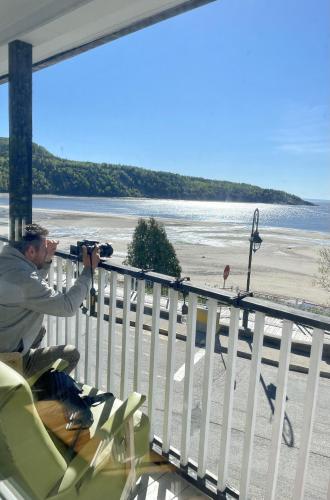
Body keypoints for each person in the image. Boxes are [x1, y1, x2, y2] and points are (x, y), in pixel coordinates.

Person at [0, 223, 100, 377]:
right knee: (70, 354)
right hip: (6, 363)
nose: (46, 250)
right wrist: (88, 270)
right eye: (43, 248)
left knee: (39, 331)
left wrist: (45, 261)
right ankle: (26, 392)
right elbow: (67, 306)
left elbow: (25, 290)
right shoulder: (25, 280)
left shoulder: (7, 263)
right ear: (31, 251)